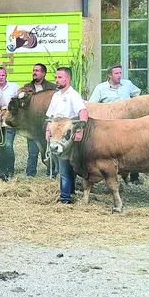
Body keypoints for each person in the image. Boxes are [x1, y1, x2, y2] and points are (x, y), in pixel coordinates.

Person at [45, 67, 88, 204]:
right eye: (56, 77)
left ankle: (65, 198)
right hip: (56, 131)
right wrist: (48, 131)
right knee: (62, 165)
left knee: (64, 167)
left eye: (59, 77)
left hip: (66, 133)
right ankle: (70, 192)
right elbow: (51, 116)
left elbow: (83, 112)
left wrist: (80, 130)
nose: (56, 80)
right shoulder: (56, 95)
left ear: (67, 80)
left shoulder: (73, 95)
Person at [21, 63, 57, 177]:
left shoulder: (52, 88)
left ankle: (51, 173)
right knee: (32, 152)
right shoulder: (26, 87)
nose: (34, 72)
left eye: (37, 70)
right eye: (33, 70)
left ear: (43, 73)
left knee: (50, 151)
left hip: (48, 126)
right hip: (32, 126)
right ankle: (30, 175)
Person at [0, 66, 20, 180]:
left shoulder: (14, 88)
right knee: (0, 147)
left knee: (8, 146)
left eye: (3, 75)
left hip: (9, 123)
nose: (1, 77)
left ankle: (10, 169)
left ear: (6, 76)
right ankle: (2, 170)